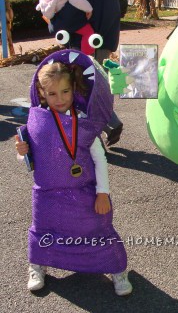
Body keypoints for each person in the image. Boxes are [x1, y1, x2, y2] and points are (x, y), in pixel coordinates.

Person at [15, 50, 132, 296]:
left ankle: (118, 270)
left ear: (74, 89)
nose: (60, 99)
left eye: (65, 92)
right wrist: (22, 151)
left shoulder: (82, 121)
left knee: (97, 230)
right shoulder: (37, 120)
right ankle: (38, 266)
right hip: (46, 194)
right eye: (52, 93)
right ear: (42, 94)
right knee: (44, 230)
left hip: (84, 192)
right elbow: (31, 157)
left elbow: (100, 159)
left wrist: (102, 193)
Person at [51, 0, 123, 147]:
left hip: (86, 43)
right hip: (105, 42)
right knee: (96, 86)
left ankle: (108, 125)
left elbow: (72, 17)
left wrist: (53, 22)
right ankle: (107, 126)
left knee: (85, 88)